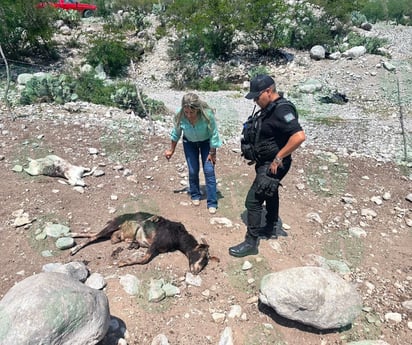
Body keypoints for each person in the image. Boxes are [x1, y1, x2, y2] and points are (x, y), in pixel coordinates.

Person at [229, 75, 306, 257]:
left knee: (253, 201)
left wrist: (278, 158)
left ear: (268, 91)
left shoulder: (282, 110)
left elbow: (299, 136)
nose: (255, 100)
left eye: (257, 97)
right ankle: (270, 227)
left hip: (274, 164)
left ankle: (251, 242)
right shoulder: (269, 108)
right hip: (266, 162)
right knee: (270, 193)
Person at [164, 93, 222, 214]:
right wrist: (171, 150)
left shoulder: (207, 115)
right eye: (186, 112)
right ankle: (195, 193)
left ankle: (212, 202)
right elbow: (176, 133)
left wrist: (213, 153)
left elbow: (214, 135)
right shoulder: (180, 115)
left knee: (209, 170)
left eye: (192, 112)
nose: (189, 115)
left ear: (198, 109)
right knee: (193, 169)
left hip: (206, 143)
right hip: (189, 142)